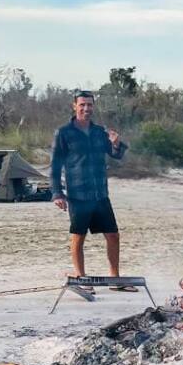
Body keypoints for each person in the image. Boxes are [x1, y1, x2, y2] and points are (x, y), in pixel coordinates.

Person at [50, 90, 129, 284]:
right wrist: (57, 193)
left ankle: (115, 278)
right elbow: (54, 165)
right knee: (78, 236)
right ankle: (80, 277)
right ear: (74, 106)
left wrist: (116, 144)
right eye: (82, 105)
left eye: (90, 105)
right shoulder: (64, 133)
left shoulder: (99, 132)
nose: (86, 108)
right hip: (77, 194)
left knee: (113, 235)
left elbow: (116, 155)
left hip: (100, 193)